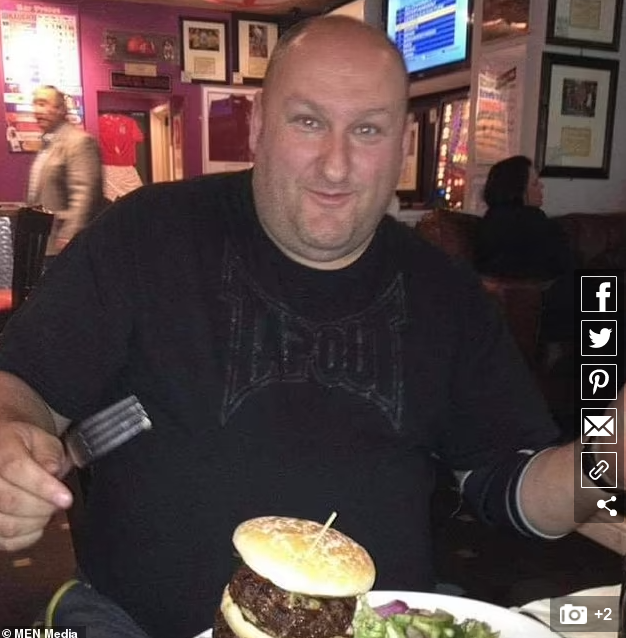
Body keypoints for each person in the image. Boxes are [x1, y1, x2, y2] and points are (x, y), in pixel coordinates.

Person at [0, 17, 622, 638]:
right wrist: (10, 439)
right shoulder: (148, 234)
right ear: (258, 127)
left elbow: (508, 485)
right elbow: (23, 383)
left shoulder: (448, 292)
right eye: (308, 122)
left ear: (402, 144)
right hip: (137, 623)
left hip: (380, 626)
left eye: (368, 130)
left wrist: (602, 463)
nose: (336, 166)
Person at [26, 85, 104, 264]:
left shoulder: (79, 142)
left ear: (61, 109)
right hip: (43, 242)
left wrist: (69, 235)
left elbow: (84, 193)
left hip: (64, 244)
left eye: (43, 104)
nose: (37, 110)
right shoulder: (48, 145)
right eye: (35, 104)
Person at [474, 155, 576, 279]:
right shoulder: (534, 220)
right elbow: (564, 265)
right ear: (519, 190)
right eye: (535, 183)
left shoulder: (489, 220)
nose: (541, 186)